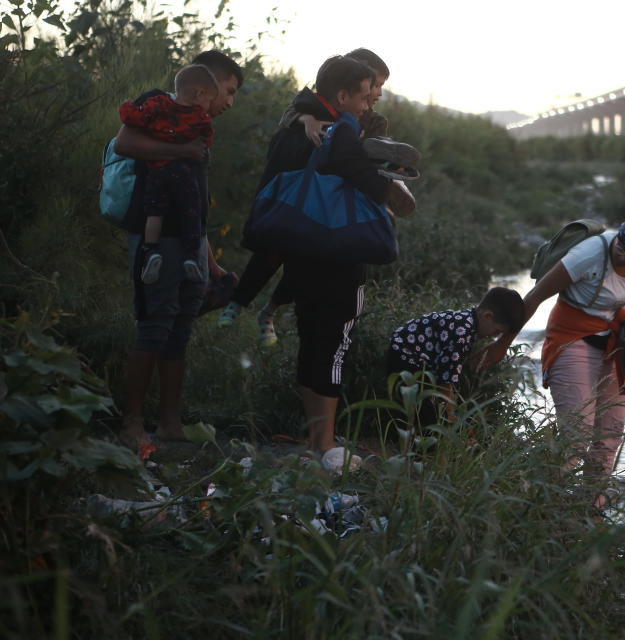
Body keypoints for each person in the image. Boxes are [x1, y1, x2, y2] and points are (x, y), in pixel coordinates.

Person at [241, 55, 393, 462]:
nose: (374, 97)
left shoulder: (297, 127)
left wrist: (302, 119)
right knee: (333, 346)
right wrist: (395, 192)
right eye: (370, 88)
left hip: (300, 248)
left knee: (312, 342)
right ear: (345, 93)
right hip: (340, 252)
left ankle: (316, 443)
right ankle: (326, 447)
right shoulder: (346, 133)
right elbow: (375, 188)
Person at [480, 199, 625, 501]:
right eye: (620, 246)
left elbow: (622, 296)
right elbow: (533, 298)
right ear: (620, 234)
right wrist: (500, 345)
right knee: (577, 434)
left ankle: (592, 512)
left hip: (613, 343)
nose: (621, 255)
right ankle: (548, 506)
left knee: (609, 434)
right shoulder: (589, 254)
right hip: (571, 337)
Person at [219, 48, 416, 346]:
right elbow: (293, 114)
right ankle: (240, 301)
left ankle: (268, 308)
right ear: (351, 87)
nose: (376, 94)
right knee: (278, 245)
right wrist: (305, 119)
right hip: (300, 185)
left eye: (378, 87)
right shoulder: (314, 105)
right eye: (374, 85)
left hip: (333, 198)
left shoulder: (373, 121)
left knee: (306, 252)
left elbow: (369, 158)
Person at [116, 50, 243, 451]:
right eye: (229, 91)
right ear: (208, 84)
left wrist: (211, 263)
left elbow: (194, 204)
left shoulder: (199, 125)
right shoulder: (161, 104)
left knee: (179, 330)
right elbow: (124, 142)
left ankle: (170, 423)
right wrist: (182, 151)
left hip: (189, 243)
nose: (229, 102)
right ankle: (132, 422)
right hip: (156, 239)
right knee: (155, 324)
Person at [118, 64, 218, 284]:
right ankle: (191, 256)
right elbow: (206, 139)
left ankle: (151, 250)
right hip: (183, 175)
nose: (209, 106)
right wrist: (188, 148)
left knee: (154, 212)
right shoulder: (199, 117)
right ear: (200, 94)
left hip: (157, 171)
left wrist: (126, 106)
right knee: (190, 209)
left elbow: (135, 117)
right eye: (210, 99)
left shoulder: (158, 104)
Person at [387, 287, 525, 424]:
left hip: (406, 350)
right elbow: (445, 379)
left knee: (428, 404)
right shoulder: (461, 332)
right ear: (487, 316)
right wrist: (450, 413)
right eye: (497, 331)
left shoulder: (467, 321)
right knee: (427, 412)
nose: (495, 336)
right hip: (405, 355)